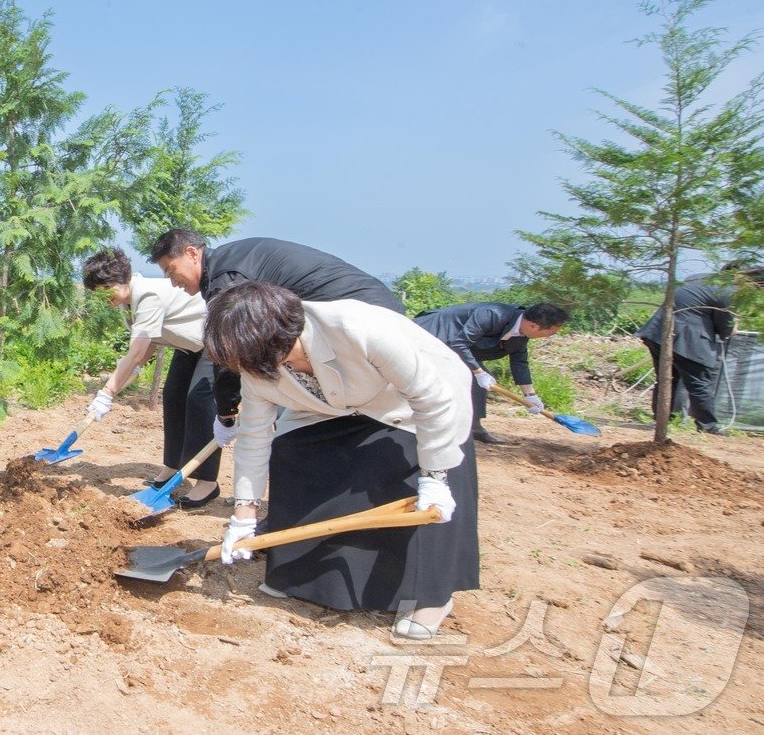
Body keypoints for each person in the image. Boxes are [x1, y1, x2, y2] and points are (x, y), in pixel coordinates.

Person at [202, 281, 477, 640]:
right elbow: (254, 439)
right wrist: (244, 514)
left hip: (411, 403)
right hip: (329, 407)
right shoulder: (257, 368)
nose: (242, 368)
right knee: (293, 452)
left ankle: (430, 595)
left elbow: (432, 399)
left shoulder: (359, 329)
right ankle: (303, 575)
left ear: (272, 340)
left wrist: (435, 477)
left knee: (420, 474)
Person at [149, 230, 404, 447]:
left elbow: (229, 350)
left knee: (316, 421)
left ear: (193, 254)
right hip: (365, 312)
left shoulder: (227, 279)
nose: (172, 283)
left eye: (172, 271)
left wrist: (225, 412)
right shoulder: (228, 263)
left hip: (365, 320)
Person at [81, 248, 219, 507]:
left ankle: (207, 483)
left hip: (213, 341)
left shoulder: (148, 295)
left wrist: (106, 393)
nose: (102, 298)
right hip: (188, 346)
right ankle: (172, 468)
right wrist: (127, 375)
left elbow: (136, 351)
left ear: (119, 281)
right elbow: (147, 346)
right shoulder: (130, 301)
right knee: (173, 397)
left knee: (199, 401)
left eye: (104, 290)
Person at [414, 302, 569, 445]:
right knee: (438, 381)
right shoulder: (492, 314)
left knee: (477, 381)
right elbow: (460, 343)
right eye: (550, 333)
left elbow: (519, 362)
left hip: (455, 347)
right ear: (534, 326)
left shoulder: (521, 332)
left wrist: (530, 396)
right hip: (428, 337)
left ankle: (475, 428)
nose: (548, 337)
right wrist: (479, 372)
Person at [636, 266, 764, 435]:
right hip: (687, 338)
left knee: (667, 378)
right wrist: (732, 327)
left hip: (657, 331)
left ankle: (663, 419)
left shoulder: (697, 275)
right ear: (752, 283)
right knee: (699, 382)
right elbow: (725, 327)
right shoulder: (729, 292)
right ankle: (708, 426)